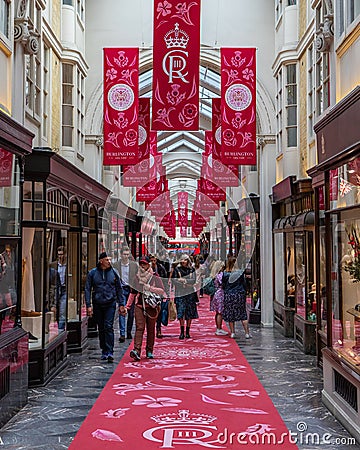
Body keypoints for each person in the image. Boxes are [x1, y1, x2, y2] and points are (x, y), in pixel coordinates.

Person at [85, 252, 125, 362]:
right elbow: (88, 289)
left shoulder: (114, 273)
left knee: (108, 326)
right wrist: (88, 305)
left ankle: (110, 351)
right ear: (101, 261)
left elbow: (119, 289)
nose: (109, 262)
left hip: (110, 303)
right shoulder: (92, 273)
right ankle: (104, 349)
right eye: (107, 260)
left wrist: (121, 304)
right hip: (98, 304)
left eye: (110, 260)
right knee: (101, 328)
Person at [125, 256, 165, 360]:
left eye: (145, 264)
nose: (143, 266)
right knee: (140, 327)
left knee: (151, 329)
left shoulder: (155, 276)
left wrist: (150, 288)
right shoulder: (136, 277)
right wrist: (127, 307)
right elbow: (133, 293)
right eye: (141, 264)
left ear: (149, 265)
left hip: (152, 306)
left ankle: (149, 350)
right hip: (139, 305)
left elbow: (162, 290)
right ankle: (137, 350)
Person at [222, 255, 251, 339]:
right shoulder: (240, 273)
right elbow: (244, 284)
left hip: (229, 295)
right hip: (239, 294)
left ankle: (233, 332)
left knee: (231, 314)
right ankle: (246, 333)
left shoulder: (225, 274)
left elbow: (224, 285)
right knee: (242, 313)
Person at [113, 246, 138, 342]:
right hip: (121, 289)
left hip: (131, 290)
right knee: (122, 310)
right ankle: (122, 333)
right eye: (124, 254)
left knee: (131, 313)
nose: (126, 256)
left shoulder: (133, 265)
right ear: (121, 254)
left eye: (127, 254)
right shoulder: (116, 265)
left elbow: (136, 277)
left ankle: (128, 331)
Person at [172, 254, 198, 339]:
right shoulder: (177, 269)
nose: (183, 261)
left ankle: (187, 331)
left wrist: (184, 281)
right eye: (182, 260)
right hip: (180, 292)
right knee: (181, 312)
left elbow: (193, 280)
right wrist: (184, 283)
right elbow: (174, 280)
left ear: (188, 261)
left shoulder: (192, 270)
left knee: (189, 313)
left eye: (185, 260)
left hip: (190, 293)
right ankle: (182, 331)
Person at [149, 254, 168, 339]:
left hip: (159, 292)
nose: (153, 262)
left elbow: (165, 281)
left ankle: (158, 328)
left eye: (154, 260)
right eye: (151, 260)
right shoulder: (147, 269)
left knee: (159, 311)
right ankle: (151, 328)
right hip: (148, 292)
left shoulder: (160, 268)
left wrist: (166, 293)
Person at [49, 246, 67, 331]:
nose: (60, 256)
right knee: (54, 309)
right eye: (59, 254)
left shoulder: (69, 265)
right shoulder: (53, 265)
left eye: (62, 254)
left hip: (65, 289)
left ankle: (60, 329)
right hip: (56, 289)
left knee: (62, 310)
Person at [209, 260, 227, 335]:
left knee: (217, 312)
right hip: (220, 293)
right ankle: (219, 328)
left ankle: (218, 327)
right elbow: (222, 283)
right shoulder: (220, 275)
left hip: (216, 293)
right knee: (220, 312)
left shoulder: (214, 275)